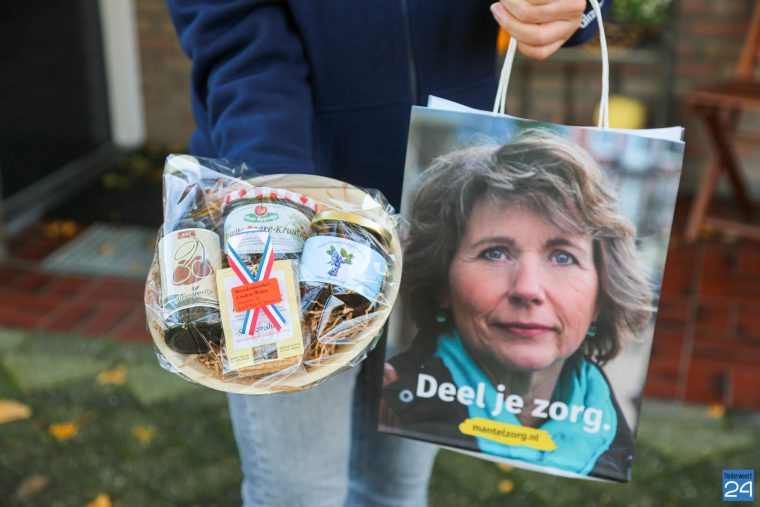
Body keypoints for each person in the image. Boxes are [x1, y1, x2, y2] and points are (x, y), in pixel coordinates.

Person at [166, 1, 611, 504]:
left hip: (441, 217)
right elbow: (233, 28)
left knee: (397, 488)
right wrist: (277, 201)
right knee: (300, 494)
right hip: (290, 215)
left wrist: (573, 6)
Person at [380, 130, 652, 481]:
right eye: (495, 253)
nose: (527, 289)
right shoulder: (391, 407)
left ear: (601, 298)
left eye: (563, 257)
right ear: (442, 283)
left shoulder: (618, 443)